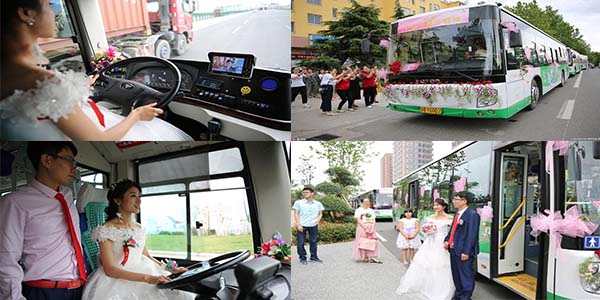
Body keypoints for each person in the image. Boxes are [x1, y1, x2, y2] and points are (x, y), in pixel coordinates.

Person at [1, 0, 192, 141]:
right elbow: (99, 140)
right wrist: (137, 115)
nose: (55, 12)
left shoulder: (12, 70)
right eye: (50, 4)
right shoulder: (45, 81)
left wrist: (78, 88)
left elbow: (42, 104)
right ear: (26, 13)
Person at [81, 179, 195, 300]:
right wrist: (147, 278)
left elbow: (147, 256)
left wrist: (171, 269)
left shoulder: (138, 227)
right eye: (133, 196)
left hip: (144, 269)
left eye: (140, 196)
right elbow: (109, 269)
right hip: (116, 280)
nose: (139, 200)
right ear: (117, 200)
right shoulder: (106, 230)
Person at [0, 142, 85, 300]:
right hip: (43, 292)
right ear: (47, 160)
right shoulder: (15, 202)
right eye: (69, 160)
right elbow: (5, 258)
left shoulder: (67, 195)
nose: (75, 168)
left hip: (78, 289)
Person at [396, 198, 455, 300]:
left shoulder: (450, 218)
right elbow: (424, 230)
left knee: (441, 265)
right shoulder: (430, 218)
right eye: (434, 205)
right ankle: (428, 286)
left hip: (442, 243)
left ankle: (441, 289)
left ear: (444, 207)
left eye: (438, 205)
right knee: (427, 263)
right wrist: (427, 230)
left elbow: (453, 232)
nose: (435, 207)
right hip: (430, 242)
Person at [444, 191, 480, 300]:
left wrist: (466, 252)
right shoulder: (457, 214)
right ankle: (459, 295)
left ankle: (466, 297)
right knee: (456, 275)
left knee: (466, 276)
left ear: (464, 201)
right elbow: (452, 231)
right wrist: (447, 241)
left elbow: (471, 235)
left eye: (456, 199)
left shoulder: (472, 215)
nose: (453, 201)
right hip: (453, 249)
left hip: (463, 251)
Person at [292, 187, 324, 265]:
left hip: (313, 225)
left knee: (313, 242)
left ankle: (314, 257)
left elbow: (320, 213)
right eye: (303, 192)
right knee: (300, 243)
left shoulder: (318, 203)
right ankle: (302, 257)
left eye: (306, 192)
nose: (304, 194)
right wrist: (298, 224)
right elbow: (296, 214)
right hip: (302, 225)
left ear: (312, 193)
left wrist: (318, 220)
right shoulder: (298, 202)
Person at [351, 199, 382, 263]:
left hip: (371, 226)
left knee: (373, 241)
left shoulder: (371, 210)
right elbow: (359, 220)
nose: (368, 203)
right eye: (366, 202)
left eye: (368, 201)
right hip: (362, 227)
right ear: (362, 203)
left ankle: (373, 256)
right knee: (363, 242)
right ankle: (365, 256)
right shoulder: (358, 210)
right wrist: (365, 228)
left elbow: (374, 220)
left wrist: (372, 228)